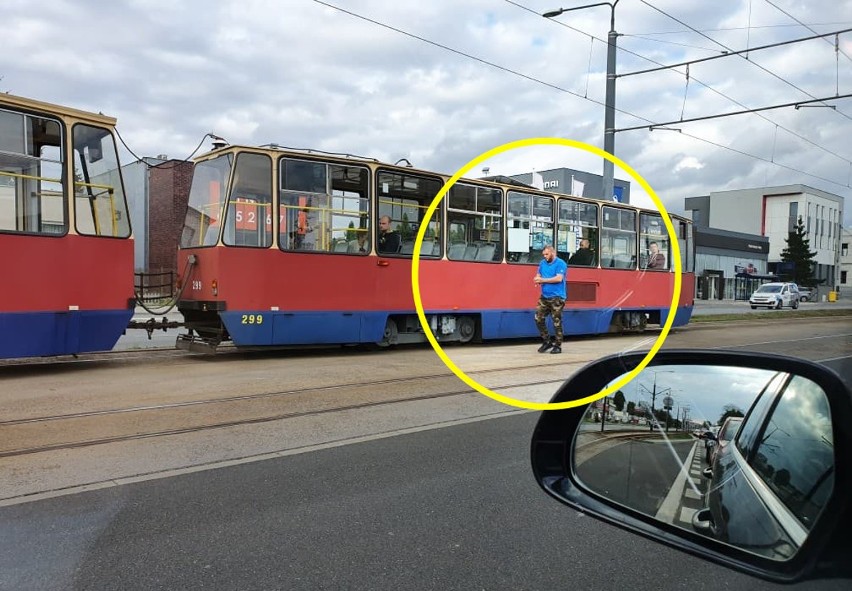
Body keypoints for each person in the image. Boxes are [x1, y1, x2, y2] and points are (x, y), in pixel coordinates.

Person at [533, 244, 568, 354]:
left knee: (556, 321)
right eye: (543, 254)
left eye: (547, 254)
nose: (545, 256)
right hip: (545, 296)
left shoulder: (560, 263)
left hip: (557, 297)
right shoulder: (542, 263)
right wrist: (537, 278)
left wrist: (542, 280)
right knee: (538, 318)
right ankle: (547, 341)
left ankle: (558, 345)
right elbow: (539, 274)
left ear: (553, 253)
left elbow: (558, 278)